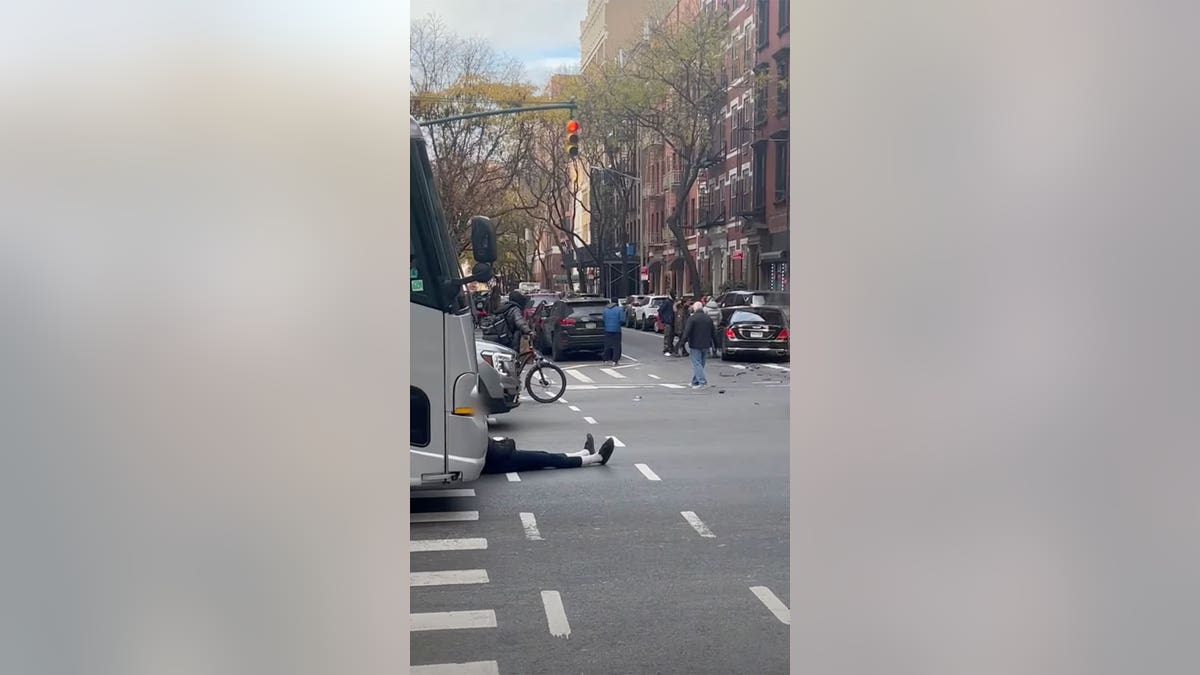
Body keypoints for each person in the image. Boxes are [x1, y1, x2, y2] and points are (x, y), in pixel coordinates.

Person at [481, 433, 615, 474]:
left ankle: (584, 453)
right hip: (501, 459)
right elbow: (500, 451)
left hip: (498, 459)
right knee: (547, 459)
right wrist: (507, 442)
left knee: (544, 456)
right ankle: (596, 458)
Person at [681, 300, 719, 388]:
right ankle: (695, 381)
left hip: (695, 344)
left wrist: (682, 342)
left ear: (695, 309)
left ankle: (702, 382)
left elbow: (687, 331)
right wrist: (717, 345)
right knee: (701, 364)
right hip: (706, 344)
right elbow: (714, 333)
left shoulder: (692, 318)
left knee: (697, 363)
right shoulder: (708, 319)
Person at [602, 297, 624, 365]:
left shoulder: (605, 310)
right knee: (616, 345)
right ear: (617, 302)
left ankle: (605, 359)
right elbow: (622, 320)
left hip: (607, 329)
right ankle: (615, 360)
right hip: (616, 329)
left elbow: (604, 319)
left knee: (607, 345)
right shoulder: (619, 309)